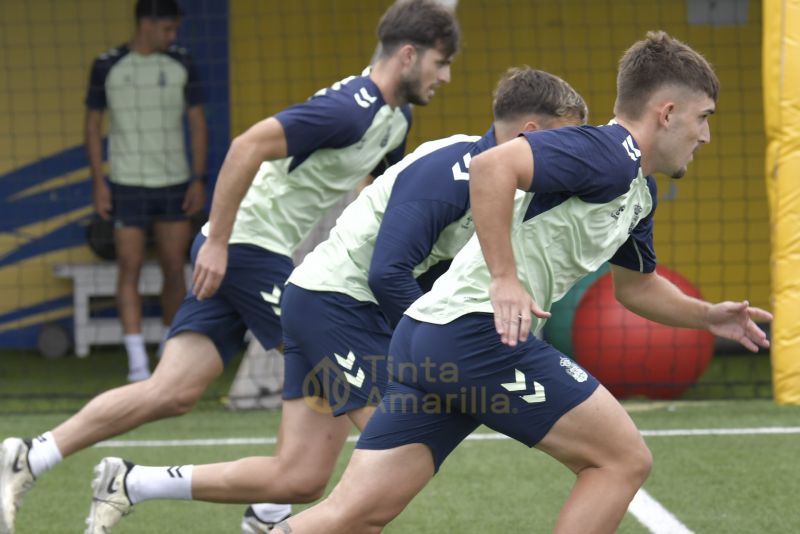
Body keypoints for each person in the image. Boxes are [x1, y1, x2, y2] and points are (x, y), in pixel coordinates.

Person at [270, 31, 774, 534]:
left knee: (353, 515)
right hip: (476, 334)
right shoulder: (609, 151)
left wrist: (707, 315)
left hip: (431, 336)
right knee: (622, 460)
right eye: (703, 117)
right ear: (666, 113)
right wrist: (505, 278)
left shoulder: (637, 188)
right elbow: (492, 166)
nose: (705, 135)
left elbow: (636, 288)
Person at [0, 2, 459, 534]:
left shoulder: (395, 117)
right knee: (346, 377)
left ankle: (30, 456)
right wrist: (217, 241)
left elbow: (370, 197)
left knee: (173, 391)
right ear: (408, 55)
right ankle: (269, 511)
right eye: (440, 63)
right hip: (245, 250)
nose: (445, 76)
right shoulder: (348, 109)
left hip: (254, 253)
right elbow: (246, 146)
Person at [80, 67, 587, 532]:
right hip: (335, 307)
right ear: (531, 134)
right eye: (567, 142)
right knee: (392, 465)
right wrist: (430, 350)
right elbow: (387, 272)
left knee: (298, 477)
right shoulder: (454, 169)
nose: (571, 160)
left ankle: (132, 482)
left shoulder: (506, 185)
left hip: (326, 306)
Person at [86, 0, 208, 383]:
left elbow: (198, 125)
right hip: (125, 183)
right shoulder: (107, 64)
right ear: (147, 24)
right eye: (168, 29)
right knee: (130, 267)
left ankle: (169, 352)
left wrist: (197, 178)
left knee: (175, 266)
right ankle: (137, 364)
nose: (173, 37)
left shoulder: (182, 63)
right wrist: (98, 181)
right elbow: (91, 127)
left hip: (173, 182)